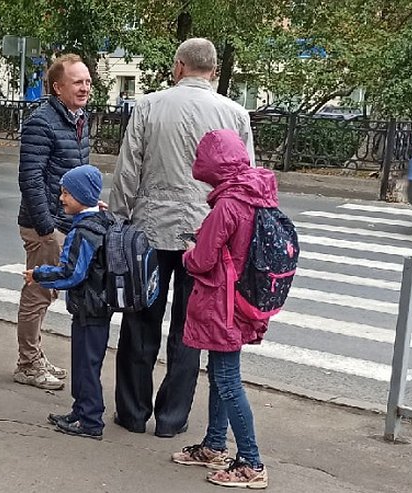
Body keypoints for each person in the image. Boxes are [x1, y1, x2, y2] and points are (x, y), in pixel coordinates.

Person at [108, 38, 255, 437]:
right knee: (190, 329)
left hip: (150, 231)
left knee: (141, 321)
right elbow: (244, 181)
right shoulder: (235, 114)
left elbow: (127, 172)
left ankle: (133, 413)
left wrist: (118, 221)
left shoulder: (149, 106)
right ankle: (172, 421)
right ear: (213, 71)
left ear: (178, 67)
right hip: (207, 237)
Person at [170, 129, 271, 489]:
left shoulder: (229, 204)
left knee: (228, 382)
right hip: (244, 298)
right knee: (219, 375)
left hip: (222, 303)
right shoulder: (255, 193)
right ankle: (214, 445)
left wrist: (187, 253)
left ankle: (251, 463)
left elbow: (202, 260)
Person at [15, 53, 92, 390]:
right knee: (39, 291)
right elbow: (30, 179)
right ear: (58, 87)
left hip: (65, 221)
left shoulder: (79, 119)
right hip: (43, 223)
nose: (85, 87)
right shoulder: (41, 122)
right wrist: (47, 228)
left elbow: (74, 175)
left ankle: (35, 355)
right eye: (78, 82)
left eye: (88, 81)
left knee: (48, 293)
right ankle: (28, 363)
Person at [24, 165, 111, 440]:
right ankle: (81, 410)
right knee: (85, 362)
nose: (61, 199)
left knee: (86, 365)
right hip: (98, 306)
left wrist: (38, 275)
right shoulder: (103, 220)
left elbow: (71, 273)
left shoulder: (83, 232)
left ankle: (90, 420)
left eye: (66, 194)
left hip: (89, 307)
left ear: (83, 196)